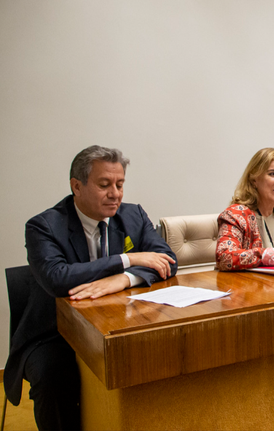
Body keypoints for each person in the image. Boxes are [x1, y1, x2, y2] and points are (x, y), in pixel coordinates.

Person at [6, 145, 178, 430]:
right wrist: (126, 259)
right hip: (54, 332)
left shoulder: (133, 215)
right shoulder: (44, 226)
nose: (115, 194)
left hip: (119, 324)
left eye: (120, 184)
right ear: (77, 185)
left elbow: (167, 261)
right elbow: (57, 278)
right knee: (53, 375)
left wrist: (124, 278)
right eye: (104, 185)